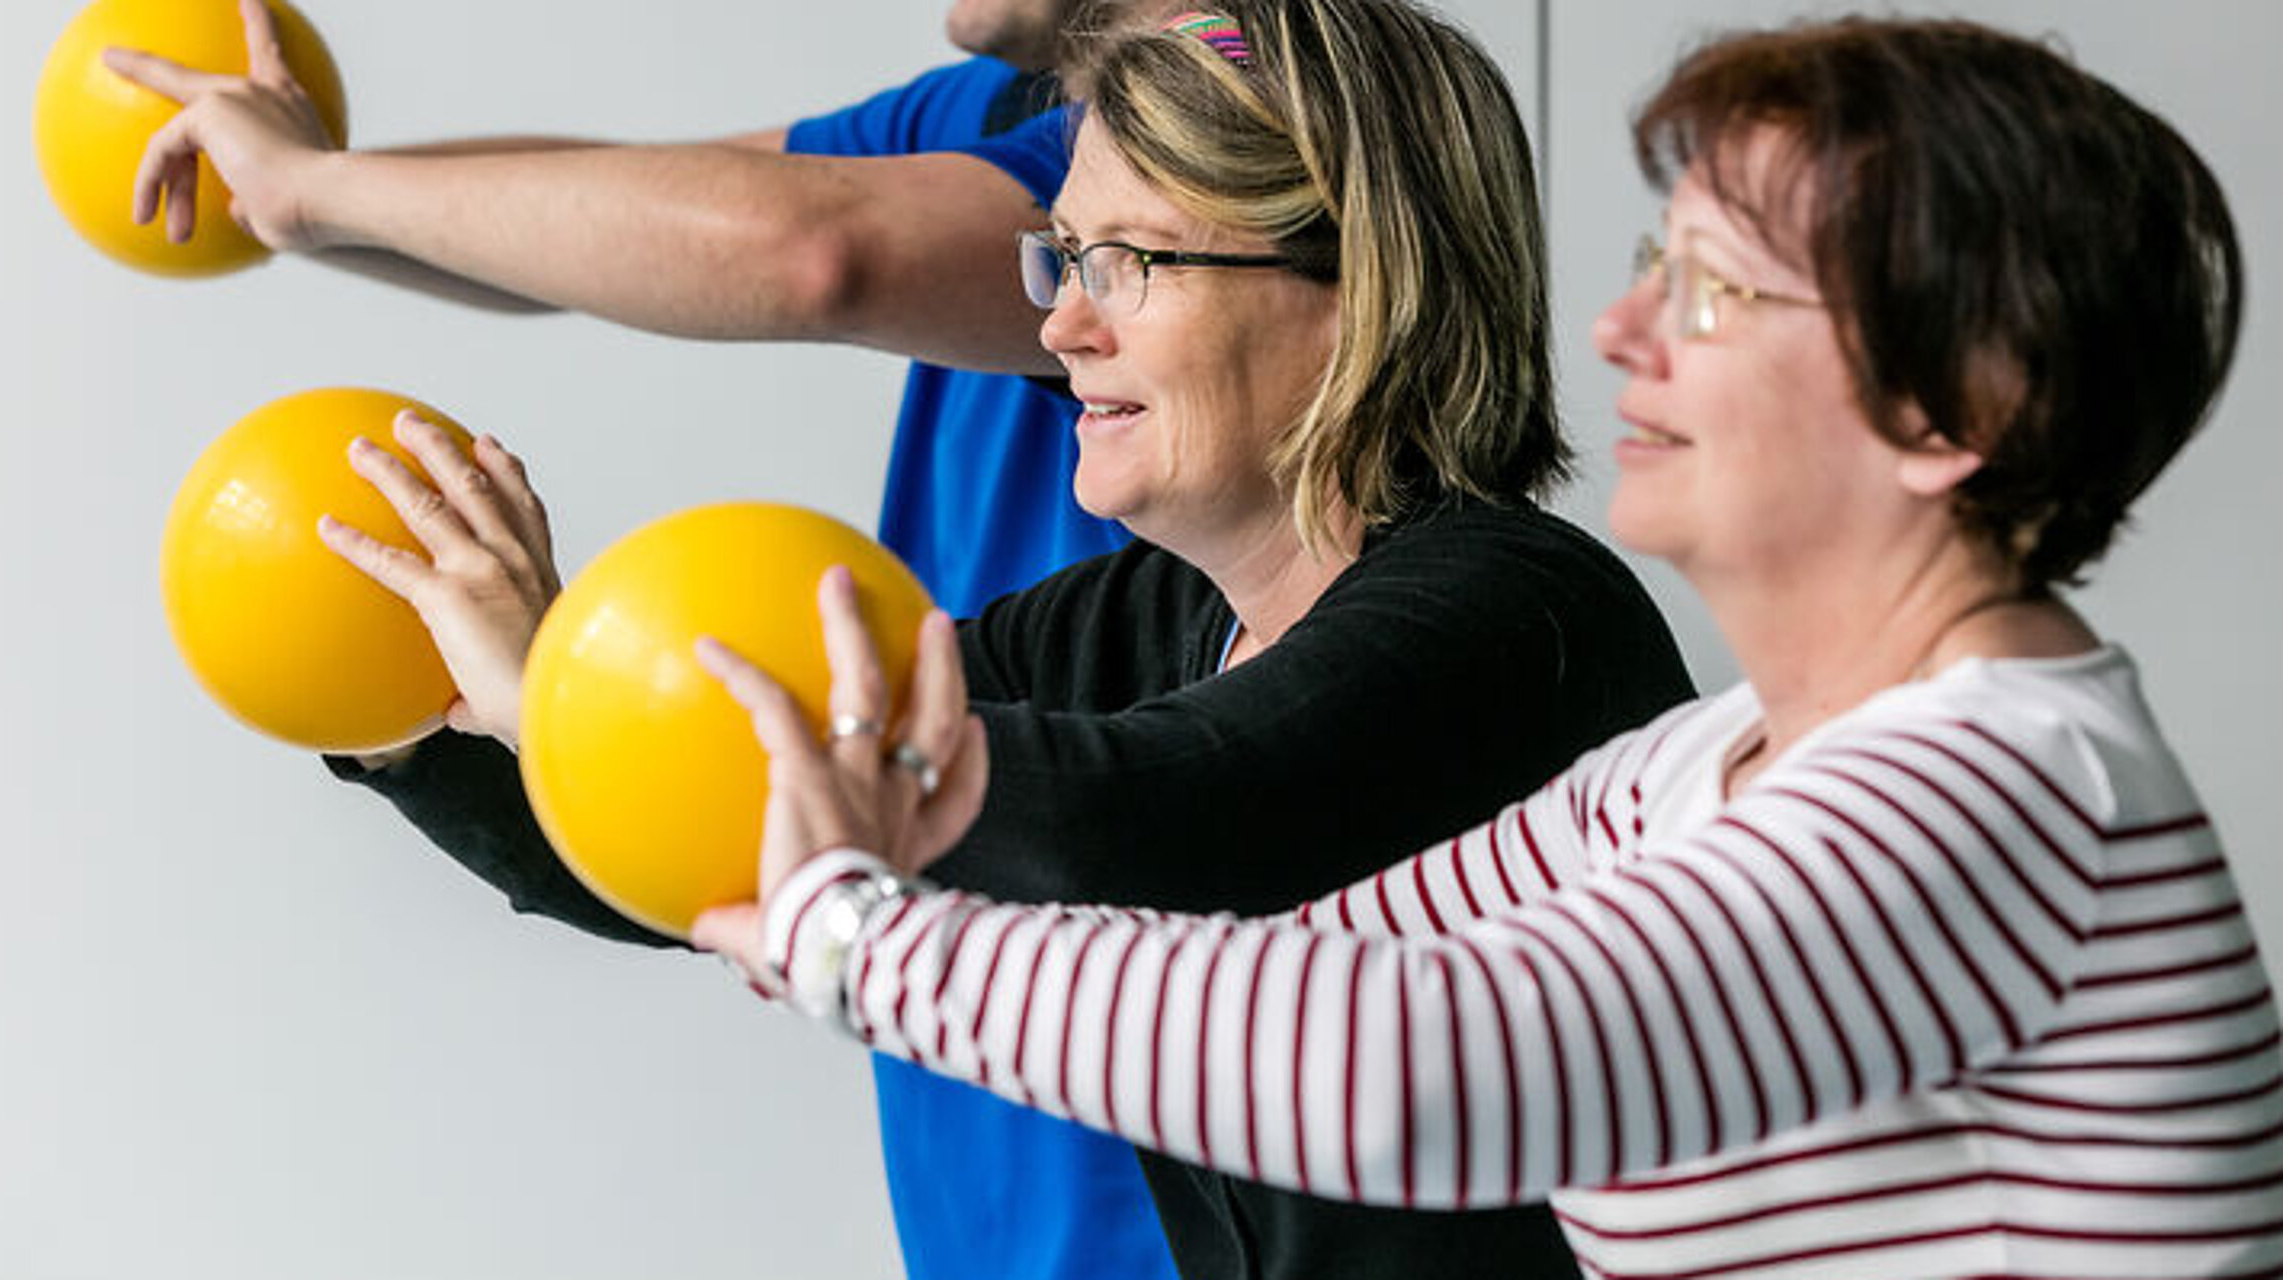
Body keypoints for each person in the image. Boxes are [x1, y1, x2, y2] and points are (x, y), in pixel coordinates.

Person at [701, 15, 2281, 1280]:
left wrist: (868, 943)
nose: (1622, 330)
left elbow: (1420, 1068)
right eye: (1660, 267)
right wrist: (878, 873)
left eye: (1720, 293)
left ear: (1960, 409)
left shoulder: (2004, 792)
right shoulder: (1701, 771)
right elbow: (1331, 963)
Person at [313, 3, 1694, 1276]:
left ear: (1354, 286)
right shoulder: (1152, 617)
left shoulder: (1515, 618)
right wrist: (403, 709)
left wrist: (562, 683)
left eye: (1129, 263)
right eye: (1067, 255)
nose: (1060, 322)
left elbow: (1138, 820)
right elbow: (718, 835)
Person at [105, 2, 1159, 1275]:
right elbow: (620, 203)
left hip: (1168, 1186)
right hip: (983, 1192)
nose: (1070, 297)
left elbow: (812, 251)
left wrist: (320, 189)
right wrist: (293, 179)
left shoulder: (1235, 126)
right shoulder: (995, 111)